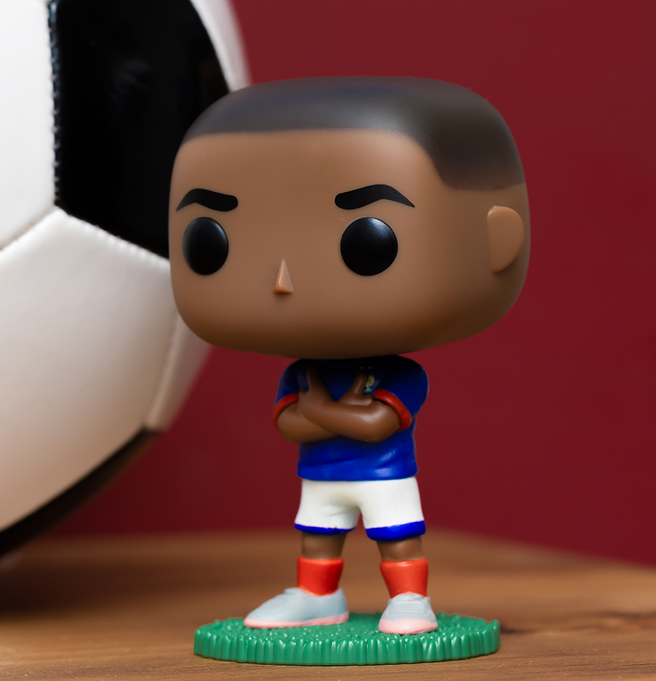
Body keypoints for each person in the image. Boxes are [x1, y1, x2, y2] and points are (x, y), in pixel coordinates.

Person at [168, 77, 529, 635]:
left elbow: (377, 424)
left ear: (498, 239)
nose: (283, 280)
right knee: (317, 536)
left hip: (384, 474)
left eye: (368, 240)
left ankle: (410, 599)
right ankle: (317, 595)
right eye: (208, 241)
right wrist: (326, 414)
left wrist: (317, 411)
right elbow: (289, 424)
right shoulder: (302, 372)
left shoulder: (398, 373)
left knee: (397, 536)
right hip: (320, 473)